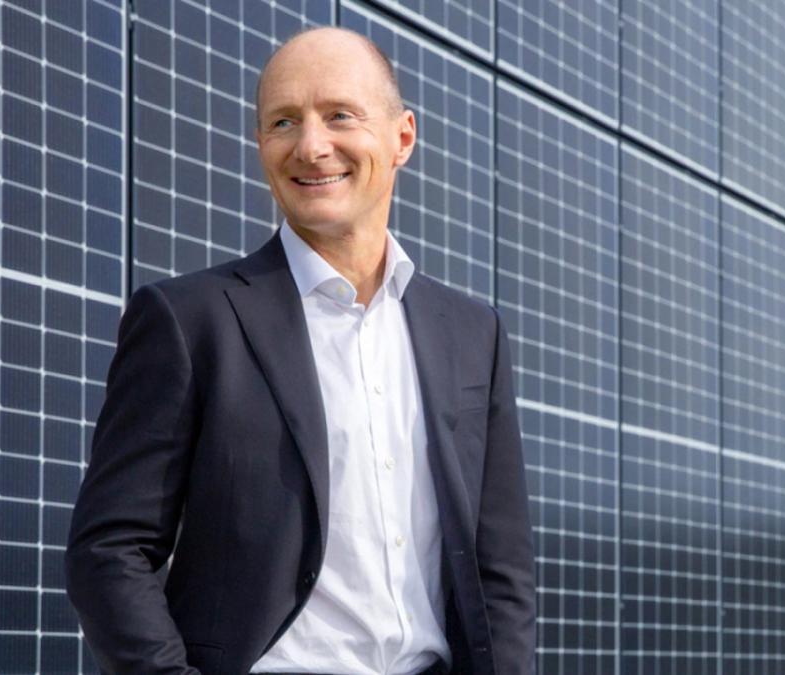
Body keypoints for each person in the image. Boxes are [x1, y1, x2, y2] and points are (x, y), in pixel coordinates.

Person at [65, 27, 535, 675]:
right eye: (283, 121)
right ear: (261, 144)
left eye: (339, 115)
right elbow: (109, 548)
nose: (312, 146)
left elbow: (500, 568)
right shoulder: (189, 320)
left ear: (402, 138)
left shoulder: (471, 333)